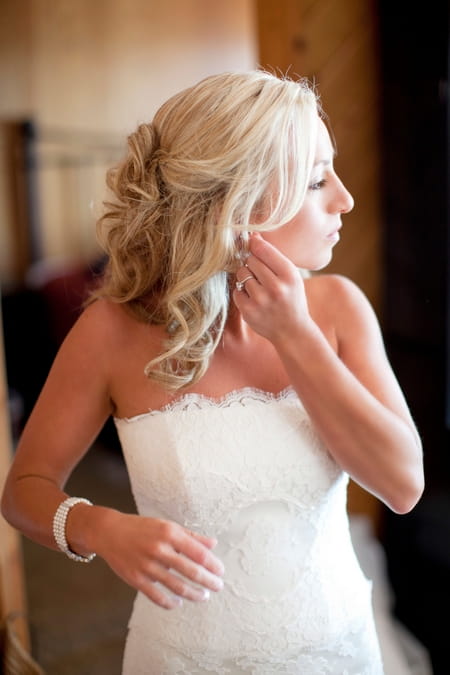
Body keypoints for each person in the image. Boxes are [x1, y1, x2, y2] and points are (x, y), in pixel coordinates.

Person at [1, 70, 424, 674]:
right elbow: (23, 490)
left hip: (338, 650)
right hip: (182, 659)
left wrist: (295, 335)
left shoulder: (338, 311)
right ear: (237, 200)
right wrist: (99, 528)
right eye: (315, 179)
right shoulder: (109, 332)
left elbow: (403, 485)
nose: (345, 198)